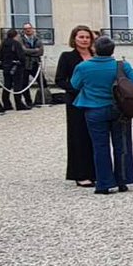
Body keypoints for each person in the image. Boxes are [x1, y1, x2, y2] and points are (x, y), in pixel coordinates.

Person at [69, 35, 133, 195]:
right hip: (119, 109)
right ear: (112, 50)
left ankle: (104, 183)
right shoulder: (122, 66)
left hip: (94, 109)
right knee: (122, 146)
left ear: (95, 48)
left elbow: (74, 85)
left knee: (100, 147)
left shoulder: (83, 67)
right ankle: (123, 179)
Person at [55, 25, 96, 187]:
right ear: (74, 39)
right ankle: (80, 173)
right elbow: (60, 79)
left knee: (95, 136)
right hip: (76, 101)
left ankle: (95, 171)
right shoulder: (67, 57)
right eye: (81, 37)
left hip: (96, 100)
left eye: (87, 37)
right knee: (78, 136)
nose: (84, 40)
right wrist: (76, 88)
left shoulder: (95, 55)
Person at [0, 29, 28, 111]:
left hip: (6, 67)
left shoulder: (3, 44)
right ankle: (18, 104)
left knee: (7, 86)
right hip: (16, 67)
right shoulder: (16, 44)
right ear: (15, 36)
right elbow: (21, 56)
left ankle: (6, 104)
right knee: (17, 86)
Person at [19, 22, 43, 107]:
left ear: (32, 29)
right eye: (26, 29)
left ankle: (43, 99)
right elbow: (23, 51)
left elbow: (41, 51)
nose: (28, 30)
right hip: (25, 64)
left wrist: (30, 52)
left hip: (36, 63)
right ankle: (28, 101)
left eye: (29, 28)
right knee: (24, 84)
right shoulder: (21, 39)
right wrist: (35, 50)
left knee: (42, 81)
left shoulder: (37, 38)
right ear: (24, 30)